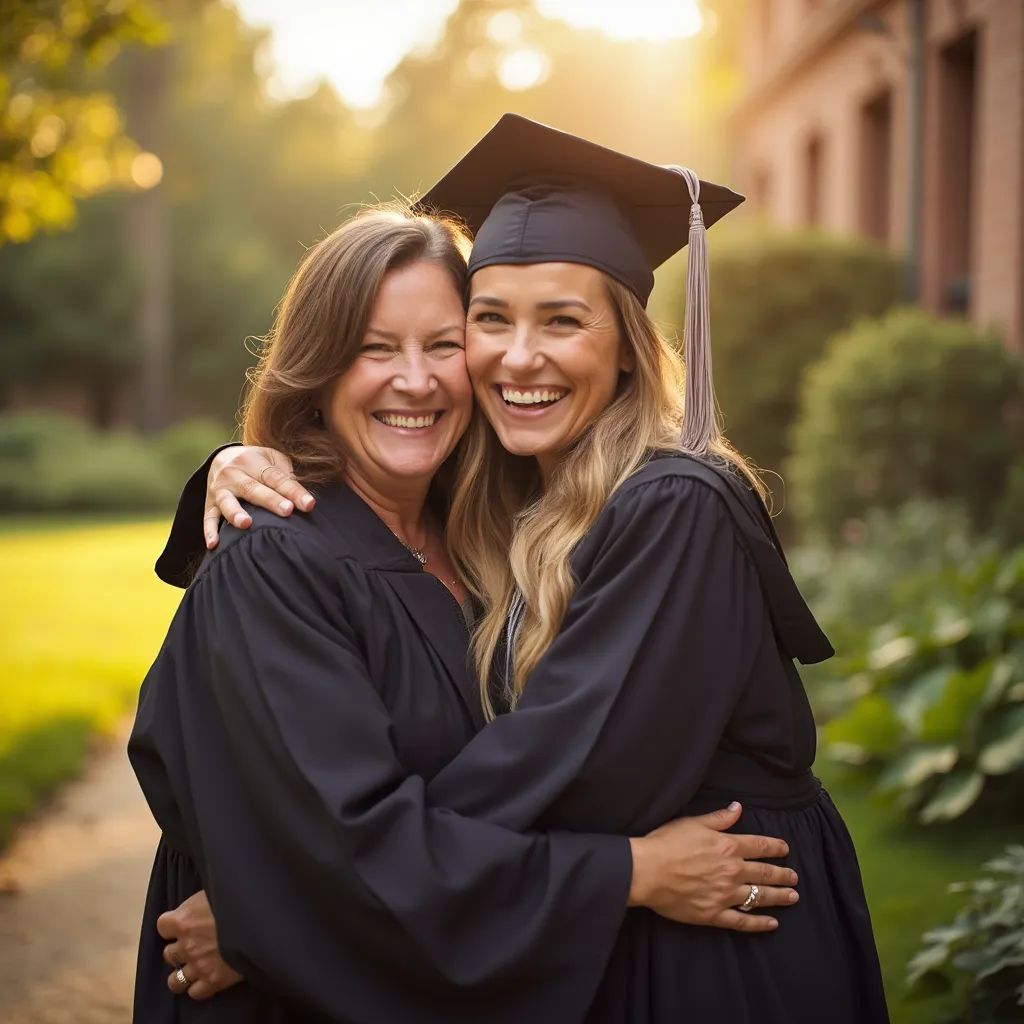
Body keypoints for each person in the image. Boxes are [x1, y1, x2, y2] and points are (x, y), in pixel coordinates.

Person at [151, 115, 889, 1021]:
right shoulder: (497, 528)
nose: (510, 357)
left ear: (625, 342)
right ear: (319, 367)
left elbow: (569, 771)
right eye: (490, 322)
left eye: (561, 321)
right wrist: (307, 895)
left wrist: (290, 904)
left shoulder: (661, 507)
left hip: (723, 947)